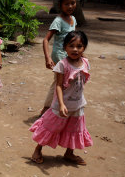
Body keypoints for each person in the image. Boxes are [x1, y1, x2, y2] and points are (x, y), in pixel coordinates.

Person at [30, 31, 93, 165]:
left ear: (84, 48)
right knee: (51, 127)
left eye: (79, 46)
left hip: (77, 106)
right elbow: (58, 85)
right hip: (60, 106)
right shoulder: (62, 65)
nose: (75, 49)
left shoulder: (85, 62)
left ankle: (69, 153)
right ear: (65, 47)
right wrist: (62, 104)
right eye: (71, 46)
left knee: (75, 130)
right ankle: (37, 149)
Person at [40, 0, 77, 116]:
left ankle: (57, 107)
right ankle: (46, 109)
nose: (70, 6)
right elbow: (46, 40)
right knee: (59, 82)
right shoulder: (58, 21)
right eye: (67, 4)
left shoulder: (73, 19)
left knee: (64, 82)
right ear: (61, 5)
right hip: (59, 56)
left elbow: (74, 39)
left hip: (69, 55)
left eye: (73, 3)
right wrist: (47, 57)